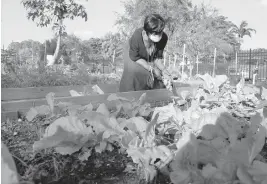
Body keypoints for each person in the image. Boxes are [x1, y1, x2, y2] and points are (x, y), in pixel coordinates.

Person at [119, 13, 172, 92]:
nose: (159, 35)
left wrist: (164, 70)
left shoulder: (163, 38)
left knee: (156, 75)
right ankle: (129, 95)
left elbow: (157, 58)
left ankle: (149, 94)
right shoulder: (137, 36)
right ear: (147, 31)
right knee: (134, 71)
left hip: (145, 53)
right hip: (132, 53)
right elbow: (135, 57)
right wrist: (152, 69)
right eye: (155, 33)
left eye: (160, 32)